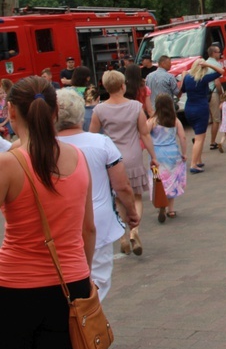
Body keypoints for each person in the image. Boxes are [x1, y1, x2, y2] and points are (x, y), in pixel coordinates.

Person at [0, 76, 95, 348]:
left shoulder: (8, 164)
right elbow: (88, 229)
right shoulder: (78, 157)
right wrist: (83, 275)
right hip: (73, 283)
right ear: (55, 112)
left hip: (16, 287)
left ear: (11, 112)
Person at [56, 88, 140, 300]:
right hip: (97, 219)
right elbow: (122, 186)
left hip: (59, 221)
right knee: (97, 280)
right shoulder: (100, 142)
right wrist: (131, 213)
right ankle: (87, 324)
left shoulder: (44, 147)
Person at [90, 70, 158, 256]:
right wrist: (153, 156)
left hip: (112, 158)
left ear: (105, 87)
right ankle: (134, 231)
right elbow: (144, 133)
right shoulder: (136, 106)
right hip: (134, 155)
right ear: (123, 86)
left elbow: (93, 136)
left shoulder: (100, 110)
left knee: (119, 198)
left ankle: (121, 235)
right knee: (136, 196)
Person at [148, 93, 187, 222]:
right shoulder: (175, 120)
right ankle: (170, 210)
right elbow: (182, 137)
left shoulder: (153, 121)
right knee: (171, 179)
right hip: (172, 153)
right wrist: (184, 153)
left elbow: (144, 135)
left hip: (156, 154)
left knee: (157, 179)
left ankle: (160, 203)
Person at [182, 58, 225, 171]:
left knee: (198, 135)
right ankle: (193, 164)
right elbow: (221, 71)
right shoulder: (203, 78)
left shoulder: (187, 78)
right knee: (200, 137)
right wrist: (208, 65)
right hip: (201, 108)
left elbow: (182, 89)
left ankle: (198, 160)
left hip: (189, 107)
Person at [206, 45, 225, 151]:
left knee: (206, 119)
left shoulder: (205, 63)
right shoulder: (216, 65)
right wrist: (221, 95)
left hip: (204, 93)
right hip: (213, 93)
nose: (220, 53)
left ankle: (198, 138)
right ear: (213, 53)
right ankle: (213, 142)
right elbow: (217, 82)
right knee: (216, 119)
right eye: (218, 52)